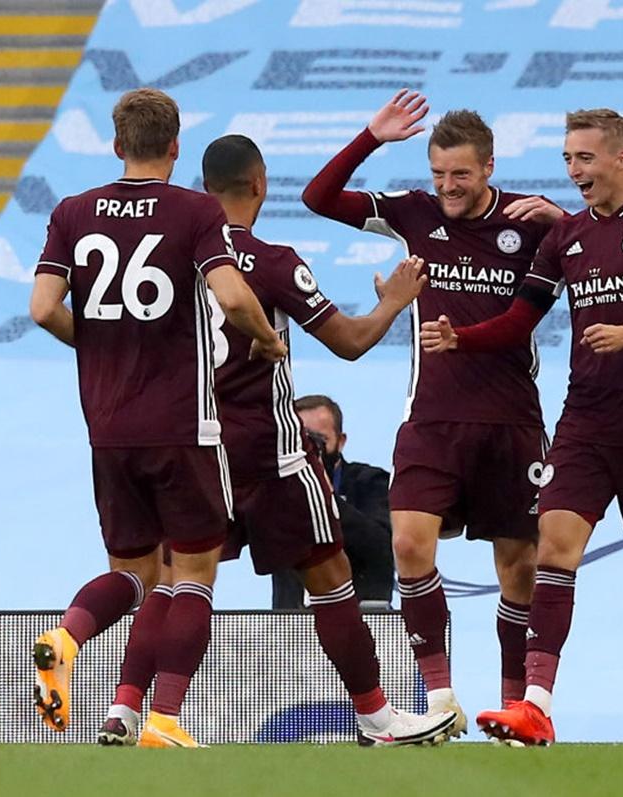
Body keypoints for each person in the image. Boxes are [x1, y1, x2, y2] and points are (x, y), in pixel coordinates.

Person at [98, 134, 456, 747]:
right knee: (330, 576)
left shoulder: (170, 257)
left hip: (191, 446)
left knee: (178, 581)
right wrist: (395, 302)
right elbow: (347, 341)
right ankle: (376, 716)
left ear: (201, 187)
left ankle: (128, 710)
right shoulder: (270, 259)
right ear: (260, 184)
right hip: (272, 454)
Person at [421, 109, 623, 749]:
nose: (573, 171)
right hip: (584, 423)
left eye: (584, 159)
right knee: (553, 551)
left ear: (622, 156)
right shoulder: (566, 238)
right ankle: (536, 706)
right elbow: (518, 321)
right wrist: (462, 338)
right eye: (567, 159)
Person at [28, 88, 286, 746]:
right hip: (181, 425)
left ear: (116, 146)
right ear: (175, 147)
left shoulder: (72, 212)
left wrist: (95, 340)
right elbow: (231, 295)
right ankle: (165, 718)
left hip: (107, 428)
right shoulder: (194, 210)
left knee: (134, 572)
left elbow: (40, 307)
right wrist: (266, 336)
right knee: (193, 573)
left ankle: (67, 633)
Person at [302, 90, 564, 734]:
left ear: (490, 168)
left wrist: (564, 219)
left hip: (512, 422)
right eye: (439, 173)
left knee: (520, 567)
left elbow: (603, 247)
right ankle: (440, 700)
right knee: (409, 543)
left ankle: (515, 706)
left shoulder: (531, 220)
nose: (447, 186)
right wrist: (371, 138)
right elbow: (319, 199)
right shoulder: (416, 214)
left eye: (461, 175)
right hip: (432, 420)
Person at [268, 395, 394, 610]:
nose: (308, 452)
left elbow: (380, 546)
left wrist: (323, 495)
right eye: (301, 442)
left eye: (319, 441)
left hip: (365, 619)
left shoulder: (371, 483)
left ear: (341, 440)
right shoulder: (278, 491)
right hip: (290, 627)